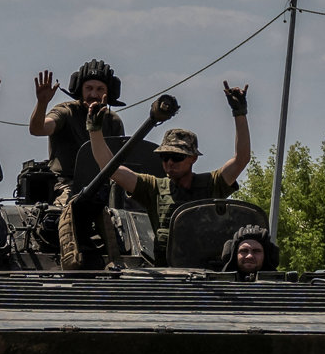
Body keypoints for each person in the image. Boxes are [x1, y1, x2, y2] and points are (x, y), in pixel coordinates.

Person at [88, 81, 251, 264]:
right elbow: (111, 169)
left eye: (177, 157)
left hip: (207, 274)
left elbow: (241, 159)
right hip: (167, 274)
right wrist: (95, 130)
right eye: (165, 157)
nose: (170, 163)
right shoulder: (154, 188)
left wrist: (239, 113)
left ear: (193, 158)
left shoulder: (212, 184)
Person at [29, 59, 125, 206]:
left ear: (108, 93)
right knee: (65, 209)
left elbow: (120, 160)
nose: (93, 94)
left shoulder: (113, 121)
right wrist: (42, 103)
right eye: (89, 88)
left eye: (100, 89)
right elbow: (38, 129)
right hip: (66, 184)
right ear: (80, 89)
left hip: (104, 185)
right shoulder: (66, 112)